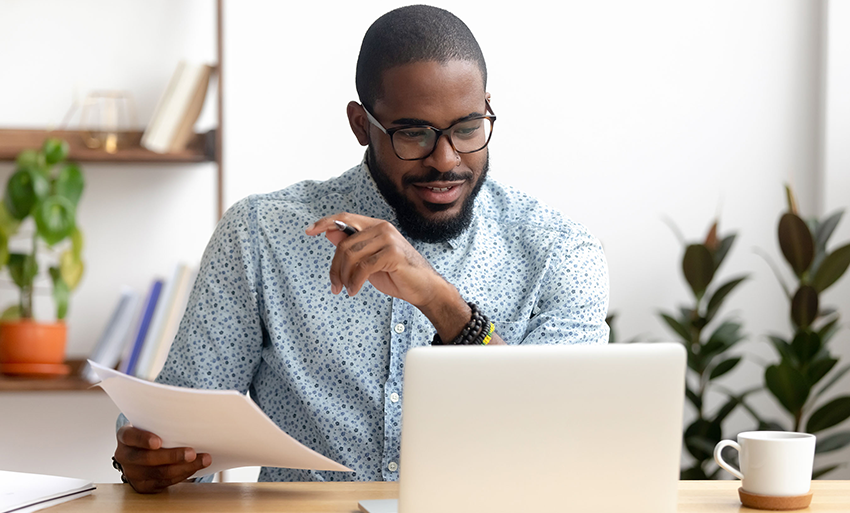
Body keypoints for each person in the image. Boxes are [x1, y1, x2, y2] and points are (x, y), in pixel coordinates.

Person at [112, 4, 609, 493]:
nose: (446, 159)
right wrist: (151, 456)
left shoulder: (560, 252)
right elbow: (181, 425)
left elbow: (559, 439)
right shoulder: (260, 234)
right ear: (360, 125)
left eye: (467, 128)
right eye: (413, 133)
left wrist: (441, 301)